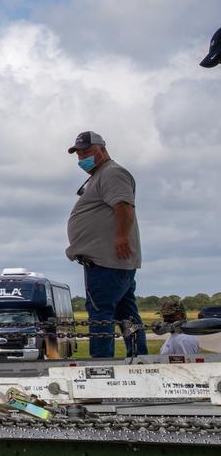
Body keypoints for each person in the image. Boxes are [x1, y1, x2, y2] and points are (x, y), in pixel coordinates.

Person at [64, 131, 147, 358]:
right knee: (126, 313)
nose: (82, 158)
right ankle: (139, 358)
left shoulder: (112, 173)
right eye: (79, 154)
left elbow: (124, 206)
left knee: (101, 312)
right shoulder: (101, 175)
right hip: (110, 262)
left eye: (87, 152)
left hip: (106, 262)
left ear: (102, 149)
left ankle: (101, 364)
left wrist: (121, 237)